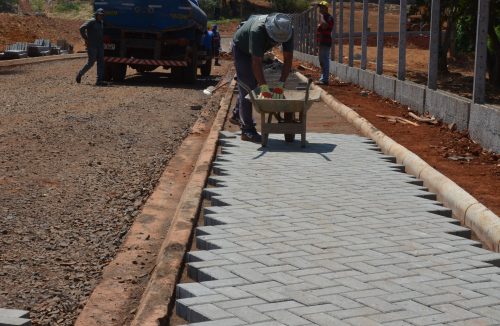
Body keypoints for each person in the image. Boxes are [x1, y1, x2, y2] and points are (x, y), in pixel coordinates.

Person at [232, 13, 294, 142]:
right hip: (242, 49)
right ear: (269, 30)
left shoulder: (287, 30)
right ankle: (247, 130)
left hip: (255, 49)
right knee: (248, 87)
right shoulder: (258, 30)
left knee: (252, 82)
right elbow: (256, 62)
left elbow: (288, 59)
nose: (276, 42)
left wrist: (281, 85)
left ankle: (237, 114)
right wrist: (264, 88)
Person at [76, 8, 107, 86]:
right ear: (96, 14)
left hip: (100, 45)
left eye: (102, 15)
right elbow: (81, 28)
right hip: (92, 46)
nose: (101, 16)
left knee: (101, 63)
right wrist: (86, 39)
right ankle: (80, 74)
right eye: (99, 15)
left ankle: (99, 81)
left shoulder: (101, 22)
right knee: (91, 63)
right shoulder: (91, 21)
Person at [316, 1, 334, 85]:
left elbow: (325, 26)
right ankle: (323, 77)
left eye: (322, 7)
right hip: (321, 41)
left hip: (326, 41)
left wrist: (322, 17)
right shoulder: (324, 17)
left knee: (325, 59)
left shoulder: (328, 17)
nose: (320, 9)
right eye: (320, 7)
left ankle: (325, 79)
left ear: (326, 8)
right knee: (321, 60)